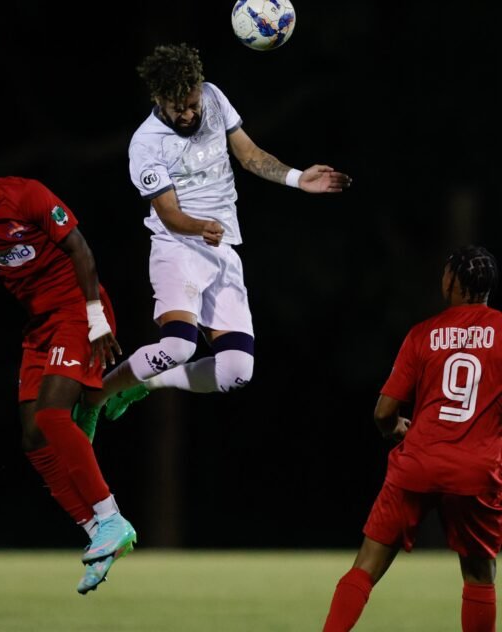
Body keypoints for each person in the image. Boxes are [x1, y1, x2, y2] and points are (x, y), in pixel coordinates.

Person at [73, 42, 353, 435]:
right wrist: (198, 226)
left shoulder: (213, 97)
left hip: (222, 249)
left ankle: (145, 384)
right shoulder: (147, 143)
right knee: (178, 347)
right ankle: (95, 397)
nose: (189, 114)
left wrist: (296, 178)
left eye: (193, 104)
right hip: (178, 247)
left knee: (236, 372)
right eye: (178, 108)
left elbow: (249, 155)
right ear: (158, 99)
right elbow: (168, 213)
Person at [0, 141, 136, 595]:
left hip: (76, 310)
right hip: (40, 325)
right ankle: (97, 534)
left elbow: (81, 250)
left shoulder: (26, 194)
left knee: (52, 415)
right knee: (32, 437)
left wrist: (95, 319)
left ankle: (111, 516)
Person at [322, 245, 502, 632]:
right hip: (476, 469)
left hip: (419, 461)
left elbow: (384, 412)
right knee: (479, 576)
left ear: (452, 282)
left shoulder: (423, 334)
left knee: (365, 568)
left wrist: (396, 430)